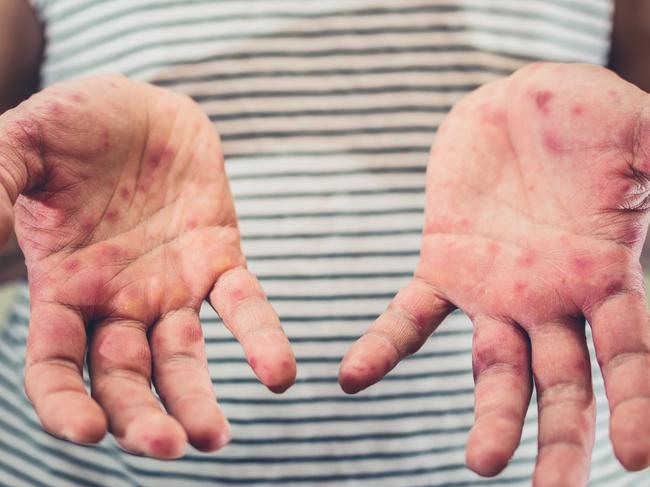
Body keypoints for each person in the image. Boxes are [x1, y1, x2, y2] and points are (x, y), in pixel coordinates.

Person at [0, 1, 648, 486]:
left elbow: (630, 202)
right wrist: (53, 209)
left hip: (559, 451)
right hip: (84, 463)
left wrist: (606, 191)